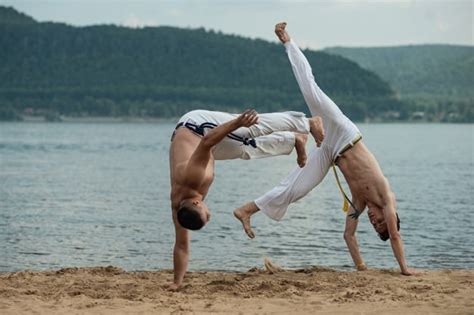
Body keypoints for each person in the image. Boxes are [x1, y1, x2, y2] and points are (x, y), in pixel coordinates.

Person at [234, 23, 417, 276]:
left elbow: (348, 236)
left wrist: (362, 268)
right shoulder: (386, 197)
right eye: (380, 223)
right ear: (390, 217)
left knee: (297, 188)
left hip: (332, 153)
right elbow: (395, 235)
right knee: (311, 89)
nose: (375, 223)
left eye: (375, 227)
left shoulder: (360, 203)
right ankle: (287, 41)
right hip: (344, 134)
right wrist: (405, 270)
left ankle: (247, 209)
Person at [169, 108, 325, 290]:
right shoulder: (179, 208)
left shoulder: (193, 176)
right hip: (200, 145)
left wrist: (237, 122)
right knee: (244, 148)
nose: (209, 215)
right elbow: (181, 245)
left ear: (196, 203)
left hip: (197, 127)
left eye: (206, 215)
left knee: (246, 130)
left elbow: (207, 141)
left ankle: (307, 123)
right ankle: (294, 139)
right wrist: (176, 283)